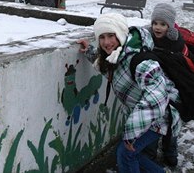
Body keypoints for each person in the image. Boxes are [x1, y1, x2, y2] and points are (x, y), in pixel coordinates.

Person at [77, 13, 180, 173]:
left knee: (126, 153)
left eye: (111, 35)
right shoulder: (118, 55)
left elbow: (157, 99)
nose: (106, 42)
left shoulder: (141, 62)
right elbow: (112, 71)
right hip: (148, 117)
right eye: (102, 37)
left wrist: (131, 132)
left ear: (121, 34)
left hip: (160, 117)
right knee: (131, 153)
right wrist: (89, 52)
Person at [142, 3, 184, 168]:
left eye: (163, 24)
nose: (158, 27)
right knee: (153, 123)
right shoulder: (147, 37)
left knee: (171, 122)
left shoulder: (175, 42)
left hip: (172, 89)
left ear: (170, 26)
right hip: (153, 88)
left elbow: (177, 68)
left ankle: (170, 151)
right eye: (155, 23)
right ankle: (150, 154)